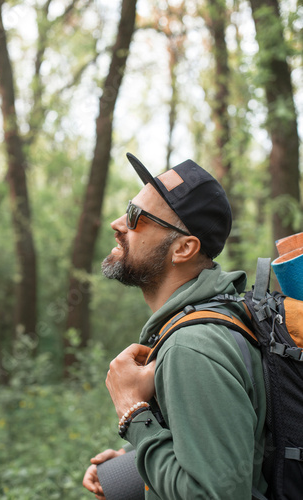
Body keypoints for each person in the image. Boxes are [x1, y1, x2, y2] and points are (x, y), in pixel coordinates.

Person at [83, 153, 267, 499]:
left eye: (137, 217)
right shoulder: (224, 314)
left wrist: (132, 413)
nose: (118, 223)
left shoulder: (193, 346)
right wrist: (134, 463)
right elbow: (241, 446)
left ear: (183, 248)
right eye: (127, 208)